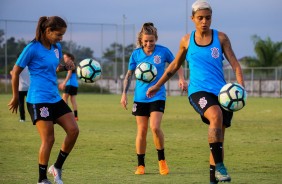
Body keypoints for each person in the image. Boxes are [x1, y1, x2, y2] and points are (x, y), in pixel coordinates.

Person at [146, 1, 245, 183]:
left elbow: (236, 66)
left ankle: (213, 178)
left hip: (223, 94)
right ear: (192, 19)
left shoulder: (221, 38)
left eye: (207, 18)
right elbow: (174, 66)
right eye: (200, 18)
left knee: (219, 136)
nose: (204, 21)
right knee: (215, 116)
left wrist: (241, 88)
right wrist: (158, 85)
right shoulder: (186, 40)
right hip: (198, 91)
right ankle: (221, 167)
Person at [8, 16, 79, 184]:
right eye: (59, 34)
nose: (61, 38)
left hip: (54, 98)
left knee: (74, 130)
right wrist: (16, 96)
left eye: (62, 35)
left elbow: (52, 68)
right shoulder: (31, 48)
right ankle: (42, 179)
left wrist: (65, 67)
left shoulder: (57, 48)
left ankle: (57, 167)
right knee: (49, 139)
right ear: (48, 31)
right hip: (38, 99)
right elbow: (15, 72)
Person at [120, 22, 187, 175]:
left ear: (156, 39)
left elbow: (177, 64)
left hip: (157, 96)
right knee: (141, 131)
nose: (149, 44)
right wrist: (124, 93)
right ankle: (140, 165)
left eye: (152, 41)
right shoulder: (136, 54)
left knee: (155, 127)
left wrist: (181, 79)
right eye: (146, 41)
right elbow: (129, 75)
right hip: (140, 98)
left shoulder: (163, 52)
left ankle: (162, 161)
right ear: (141, 41)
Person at [59, 52, 79, 121]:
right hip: (75, 84)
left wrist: (64, 83)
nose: (64, 59)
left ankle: (66, 115)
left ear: (70, 58)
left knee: (64, 98)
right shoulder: (74, 64)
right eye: (64, 58)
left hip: (69, 83)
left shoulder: (70, 64)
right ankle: (75, 116)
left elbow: (69, 74)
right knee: (73, 100)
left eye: (65, 57)